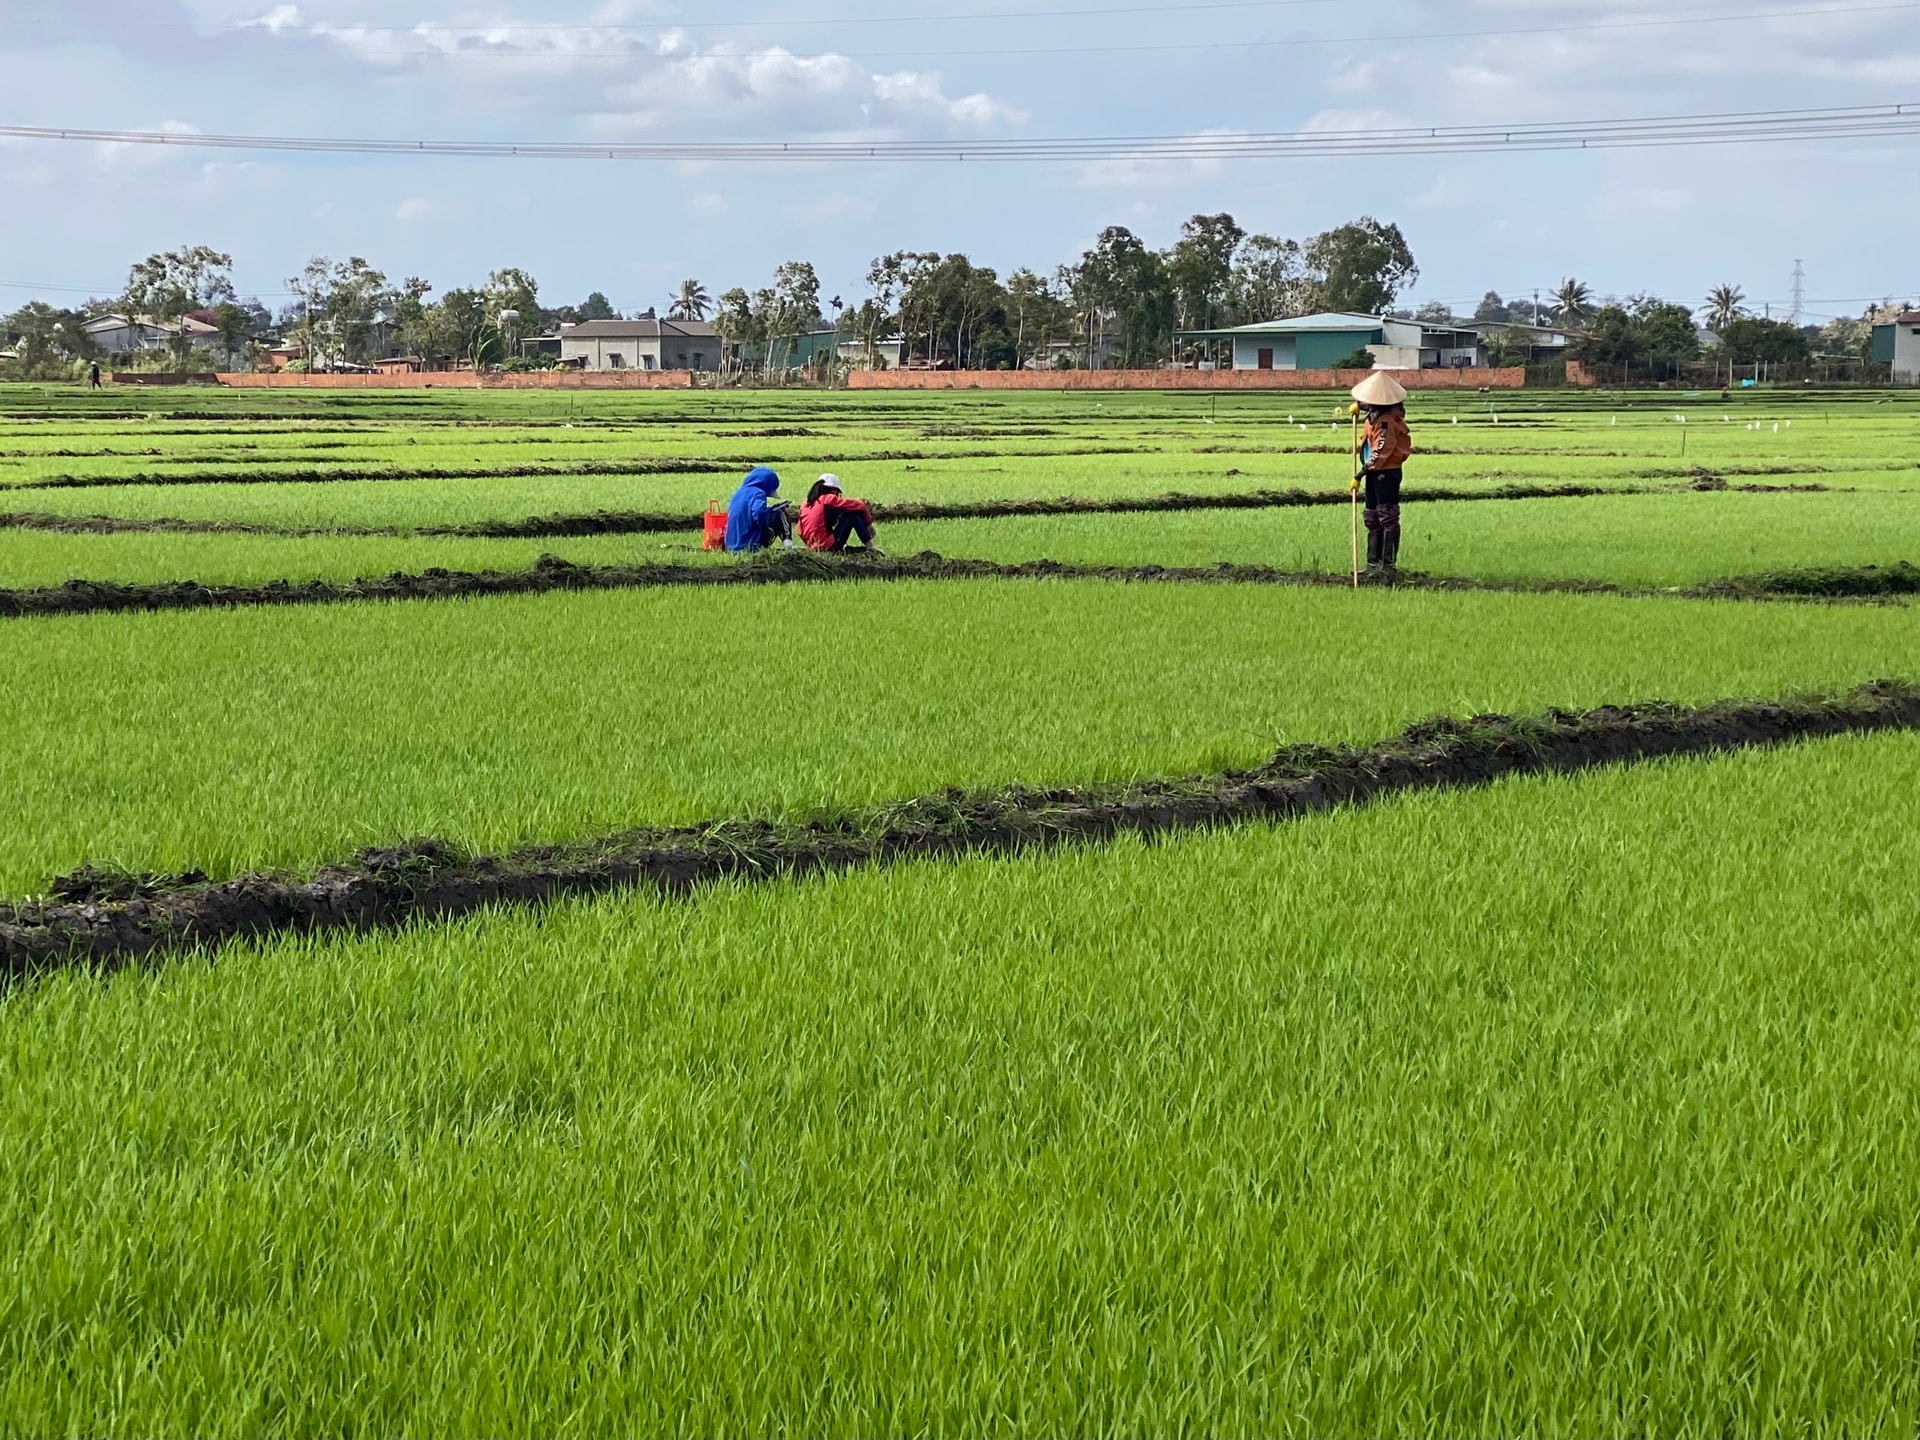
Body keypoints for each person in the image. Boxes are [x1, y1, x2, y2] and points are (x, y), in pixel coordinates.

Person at [1350, 371, 1412, 577]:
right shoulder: (1372, 418)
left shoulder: (1386, 422)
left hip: (1386, 473)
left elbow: (1381, 451)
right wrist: (1357, 412)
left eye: (1365, 401)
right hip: (1374, 473)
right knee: (1371, 516)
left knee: (1387, 516)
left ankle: (1387, 565)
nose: (1361, 403)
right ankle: (1372, 564)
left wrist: (1360, 474)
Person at [798, 474, 884, 553]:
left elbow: (800, 531)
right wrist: (869, 525)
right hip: (827, 547)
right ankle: (870, 546)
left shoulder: (805, 504)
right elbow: (860, 505)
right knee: (852, 514)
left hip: (813, 547)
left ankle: (842, 545)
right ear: (834, 490)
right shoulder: (828, 499)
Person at [723, 465, 796, 552]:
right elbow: (759, 512)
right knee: (780, 513)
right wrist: (765, 522)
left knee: (775, 510)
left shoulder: (739, 493)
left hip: (732, 546)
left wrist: (770, 510)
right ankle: (789, 546)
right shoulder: (758, 493)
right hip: (749, 545)